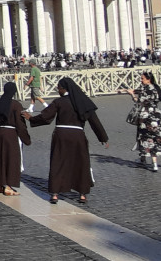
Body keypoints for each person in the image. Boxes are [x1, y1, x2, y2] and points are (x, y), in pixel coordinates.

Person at [26, 77, 108, 205]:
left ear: (64, 88)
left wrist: (31, 119)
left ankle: (55, 194)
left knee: (58, 162)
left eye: (59, 87)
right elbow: (94, 121)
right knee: (81, 163)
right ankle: (82, 195)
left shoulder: (59, 102)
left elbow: (46, 117)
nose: (58, 90)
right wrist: (103, 138)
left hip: (61, 135)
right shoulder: (84, 102)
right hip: (78, 136)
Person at [0, 82, 31, 195]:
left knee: (0, 158)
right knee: (12, 159)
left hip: (0, 132)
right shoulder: (16, 105)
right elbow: (20, 123)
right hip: (11, 133)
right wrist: (26, 138)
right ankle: (8, 186)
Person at [124, 71, 161, 172]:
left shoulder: (145, 89)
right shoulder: (156, 88)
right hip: (157, 115)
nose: (141, 80)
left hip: (145, 117)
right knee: (157, 137)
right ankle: (151, 162)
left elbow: (138, 101)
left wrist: (132, 94)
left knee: (146, 139)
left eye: (142, 79)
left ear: (148, 79)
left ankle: (147, 160)